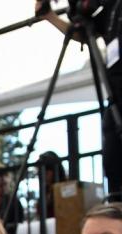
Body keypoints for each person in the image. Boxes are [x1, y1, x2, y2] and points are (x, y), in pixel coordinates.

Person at [37, 0, 122, 200]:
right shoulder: (111, 8)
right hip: (115, 97)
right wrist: (50, 17)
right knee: (113, 164)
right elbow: (83, 33)